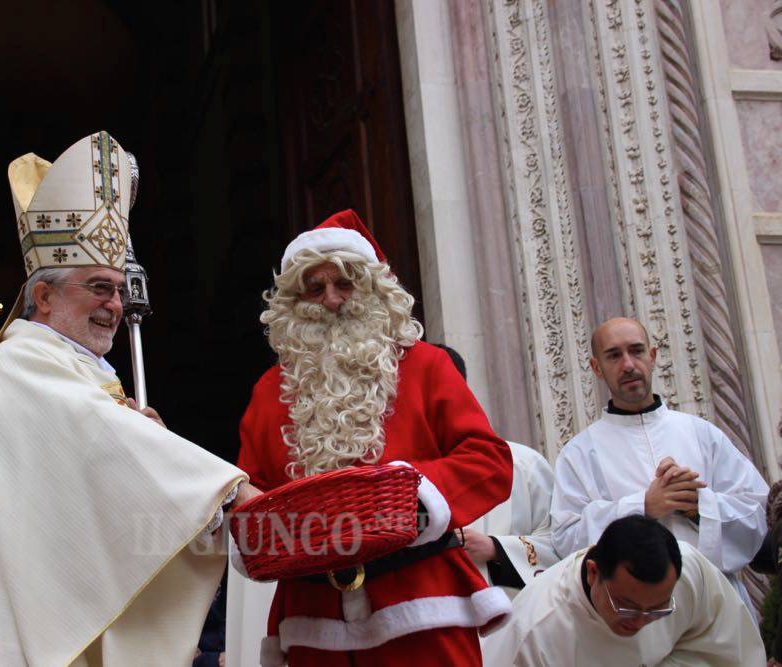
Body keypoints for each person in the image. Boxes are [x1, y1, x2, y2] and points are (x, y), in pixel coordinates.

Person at [0, 131, 255, 666]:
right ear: (43, 297)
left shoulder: (77, 372)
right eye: (97, 287)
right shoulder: (17, 366)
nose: (114, 305)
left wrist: (145, 449)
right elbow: (98, 440)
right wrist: (232, 496)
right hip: (3, 632)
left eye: (118, 290)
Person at [235, 209, 513, 667]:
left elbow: (489, 462)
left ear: (371, 289)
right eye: (315, 286)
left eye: (344, 284)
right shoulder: (269, 392)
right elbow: (252, 495)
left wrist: (409, 491)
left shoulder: (425, 366)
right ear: (293, 298)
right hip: (314, 620)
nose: (330, 300)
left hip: (422, 607)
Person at [551, 317, 768, 611]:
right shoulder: (578, 454)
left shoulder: (702, 434)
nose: (628, 364)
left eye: (637, 351)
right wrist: (643, 506)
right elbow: (566, 541)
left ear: (652, 357)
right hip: (631, 617)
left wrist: (697, 505)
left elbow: (758, 515)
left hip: (716, 607)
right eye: (614, 355)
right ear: (596, 368)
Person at [483, 515, 766, 665]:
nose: (640, 621)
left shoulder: (690, 573)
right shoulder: (537, 634)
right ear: (594, 573)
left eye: (657, 610)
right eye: (626, 605)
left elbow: (730, 651)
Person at [434, 344, 559, 596]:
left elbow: (560, 544)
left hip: (511, 620)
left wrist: (496, 549)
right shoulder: (399, 476)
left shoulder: (524, 464)